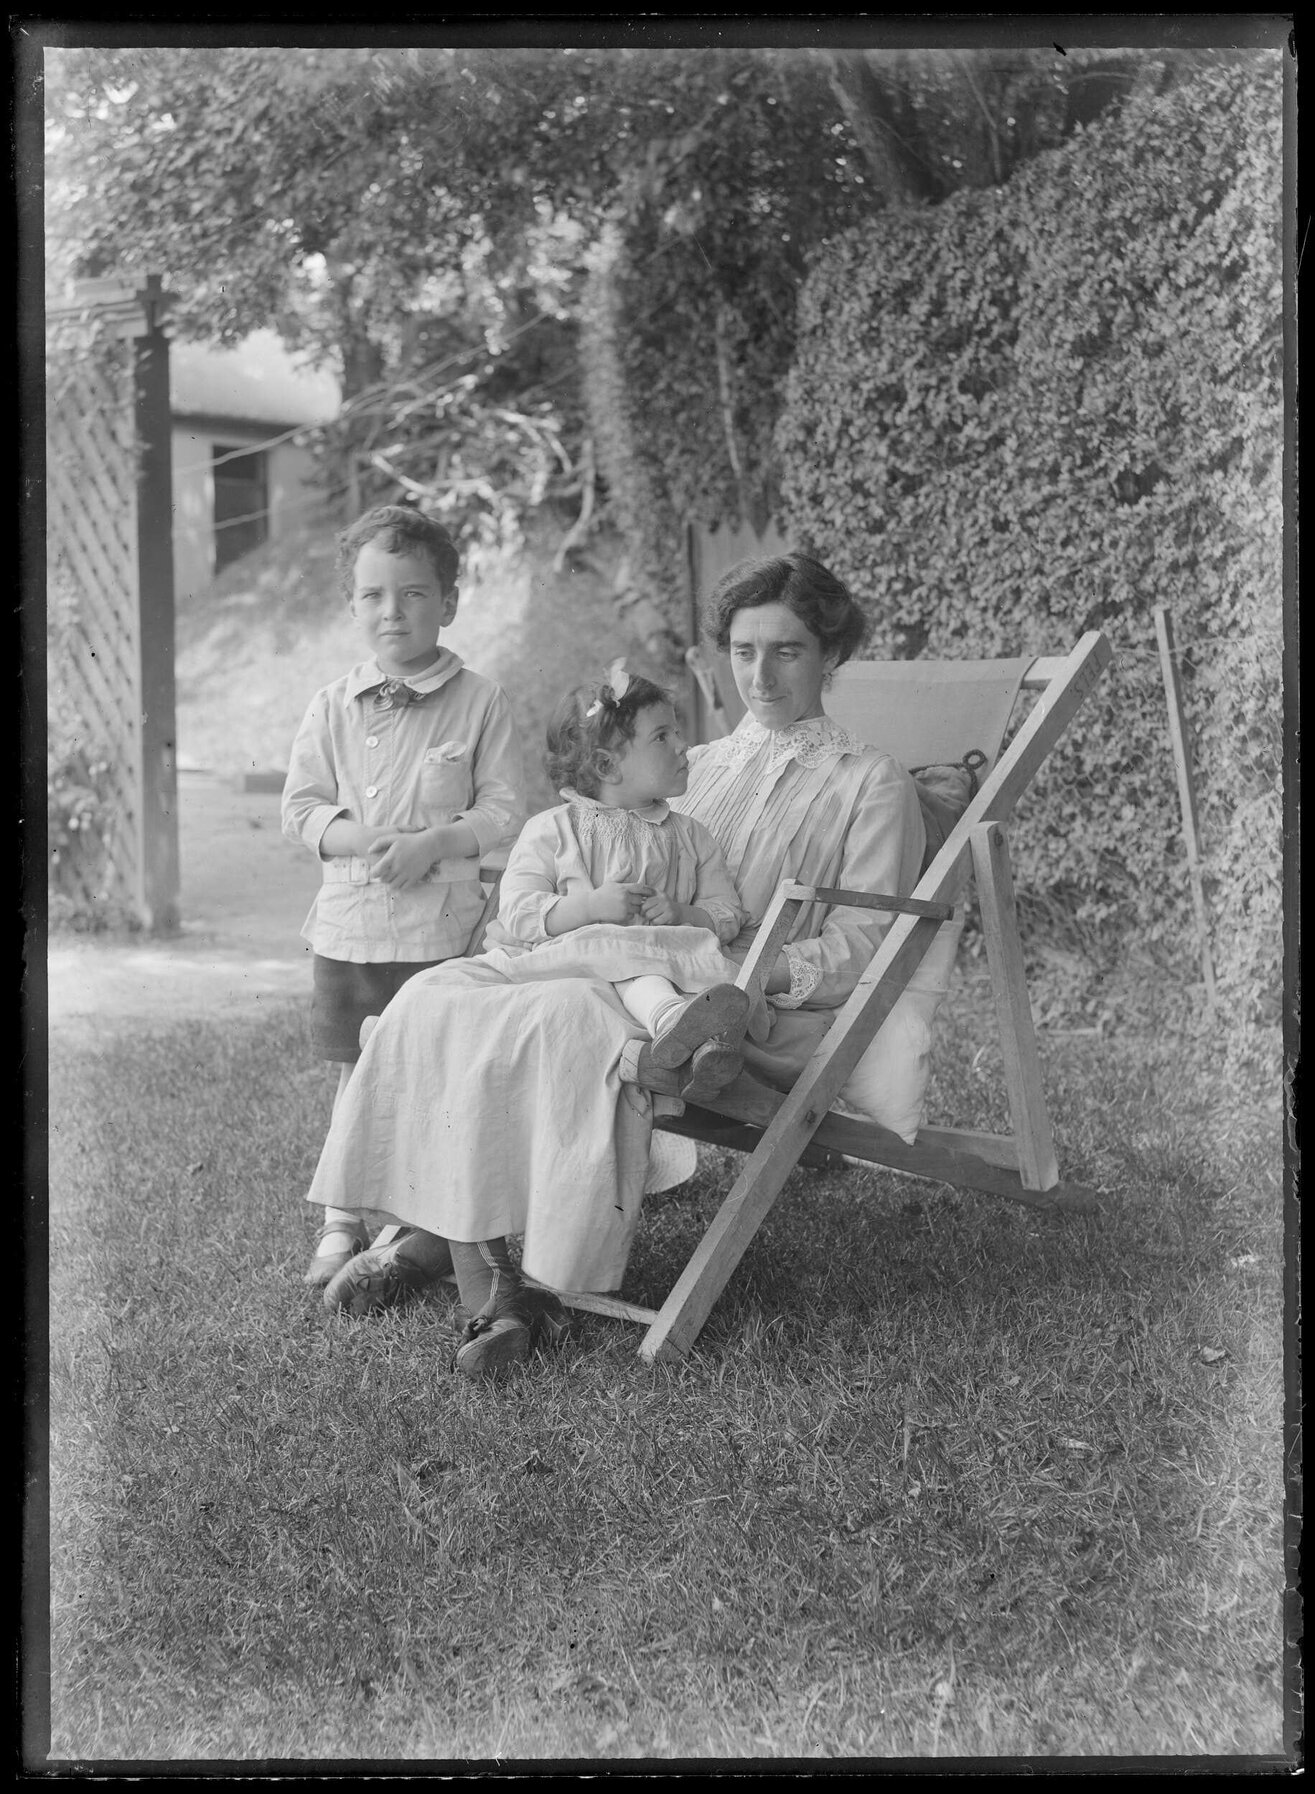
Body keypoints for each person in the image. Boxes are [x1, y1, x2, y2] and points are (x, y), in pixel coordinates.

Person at [312, 554, 939, 1383]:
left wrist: (744, 971)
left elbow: (867, 941)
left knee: (562, 1020)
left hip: (724, 1005)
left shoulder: (870, 782)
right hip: (607, 967)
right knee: (435, 995)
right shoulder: (695, 761)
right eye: (744, 651)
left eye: (787, 650)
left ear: (829, 654)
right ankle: (437, 1218)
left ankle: (524, 1290)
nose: (760, 673)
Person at [282, 504, 523, 1288]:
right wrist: (358, 838)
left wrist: (432, 842)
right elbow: (301, 807)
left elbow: (502, 809)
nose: (394, 612)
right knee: (358, 1071)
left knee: (425, 1072)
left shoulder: (480, 701)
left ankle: (405, 1223)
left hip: (436, 930)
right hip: (351, 926)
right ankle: (339, 1221)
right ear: (351, 604)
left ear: (447, 603)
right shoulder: (330, 704)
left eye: (415, 594)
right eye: (375, 596)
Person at [477, 661, 767, 1103]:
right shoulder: (553, 831)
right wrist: (589, 908)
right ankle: (674, 1022)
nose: (682, 744)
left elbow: (727, 912)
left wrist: (684, 913)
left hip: (658, 961)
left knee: (657, 970)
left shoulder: (691, 836)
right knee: (617, 976)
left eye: (676, 731)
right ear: (607, 766)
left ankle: (686, 1030)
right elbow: (516, 910)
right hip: (575, 968)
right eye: (662, 737)